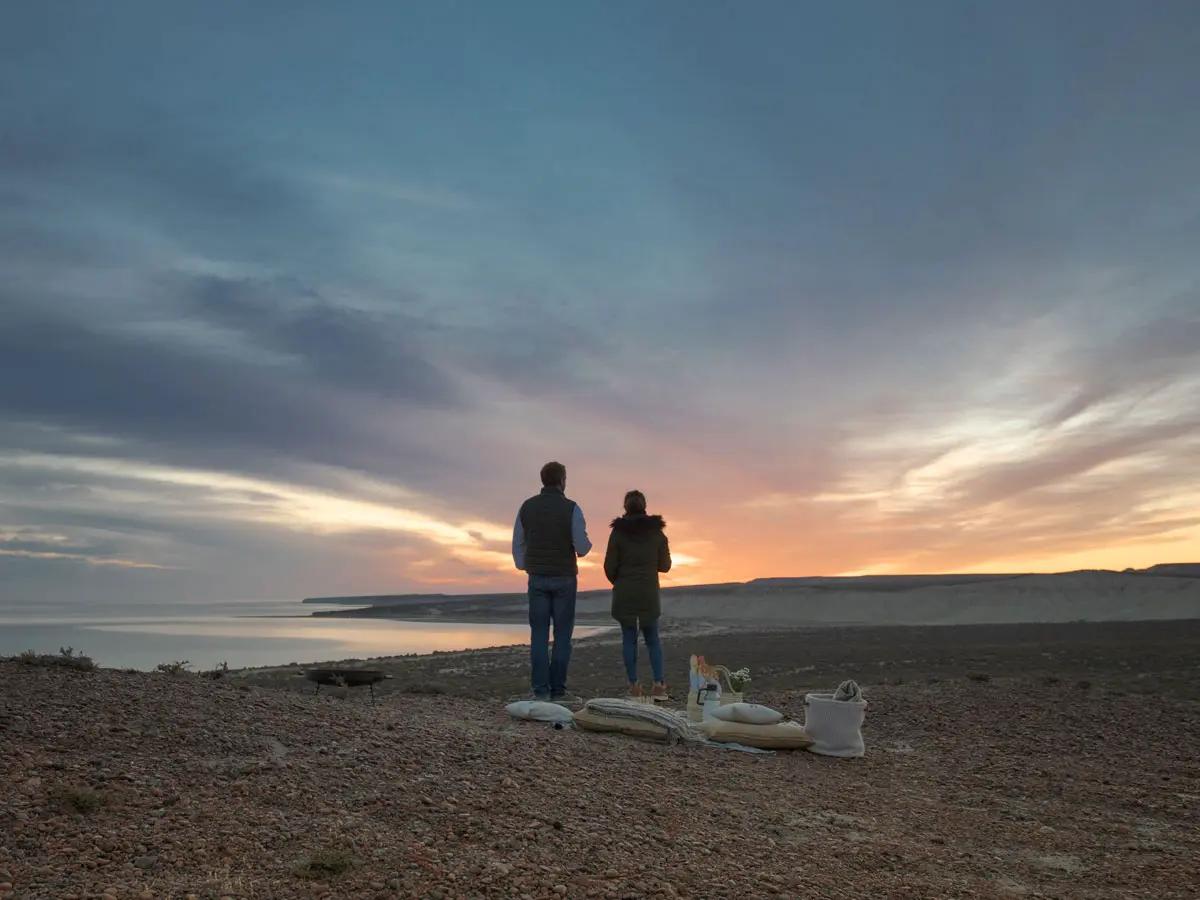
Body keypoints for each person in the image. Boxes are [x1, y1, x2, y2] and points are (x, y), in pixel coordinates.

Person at [512, 461, 592, 701]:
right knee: (562, 636)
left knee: (538, 636)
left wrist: (527, 565)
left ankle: (540, 691)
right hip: (564, 578)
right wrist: (586, 545)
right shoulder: (572, 508)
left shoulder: (526, 507)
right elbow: (582, 547)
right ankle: (558, 691)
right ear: (562, 480)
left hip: (537, 578)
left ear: (542, 480)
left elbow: (518, 544)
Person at [603, 490, 672, 700]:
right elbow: (666, 566)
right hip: (649, 592)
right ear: (644, 506)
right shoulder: (657, 534)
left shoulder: (617, 534)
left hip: (625, 592)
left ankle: (634, 686)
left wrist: (621, 581)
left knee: (628, 639)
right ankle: (659, 685)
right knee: (652, 639)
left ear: (626, 508)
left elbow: (609, 567)